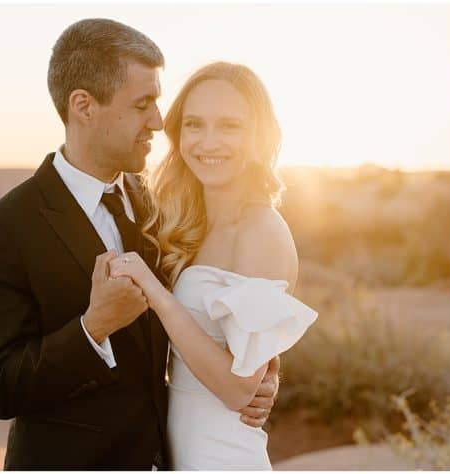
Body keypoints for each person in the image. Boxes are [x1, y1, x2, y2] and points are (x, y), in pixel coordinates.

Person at [0, 19, 279, 469]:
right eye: (142, 105)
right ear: (83, 106)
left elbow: (219, 307)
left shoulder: (156, 203)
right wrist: (93, 328)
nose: (158, 120)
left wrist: (264, 369)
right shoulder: (4, 227)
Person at [109, 61, 317, 469]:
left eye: (229, 126)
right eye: (194, 124)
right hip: (178, 450)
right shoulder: (187, 220)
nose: (208, 141)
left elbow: (240, 390)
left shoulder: (261, 231)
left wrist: (156, 293)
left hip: (223, 456)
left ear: (259, 135)